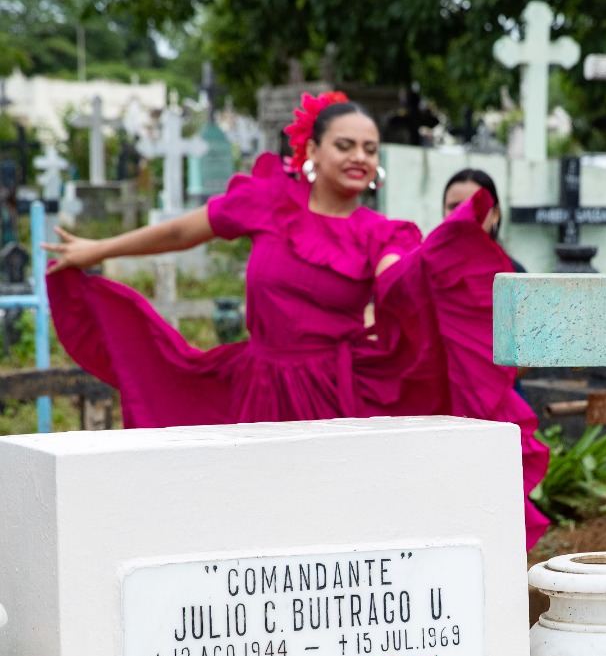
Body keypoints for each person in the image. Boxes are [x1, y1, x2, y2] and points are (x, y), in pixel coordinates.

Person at [43, 92, 549, 549]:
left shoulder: (383, 233)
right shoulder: (266, 202)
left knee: (331, 529)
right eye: (345, 145)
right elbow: (181, 232)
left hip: (333, 400)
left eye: (369, 149)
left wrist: (432, 260)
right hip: (256, 387)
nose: (359, 157)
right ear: (312, 151)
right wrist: (98, 249)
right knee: (246, 525)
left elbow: (396, 278)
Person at [441, 168, 525, 272]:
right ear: (443, 210)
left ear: (495, 214)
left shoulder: (514, 274)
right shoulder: (427, 269)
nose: (463, 214)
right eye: (454, 207)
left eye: (475, 205)